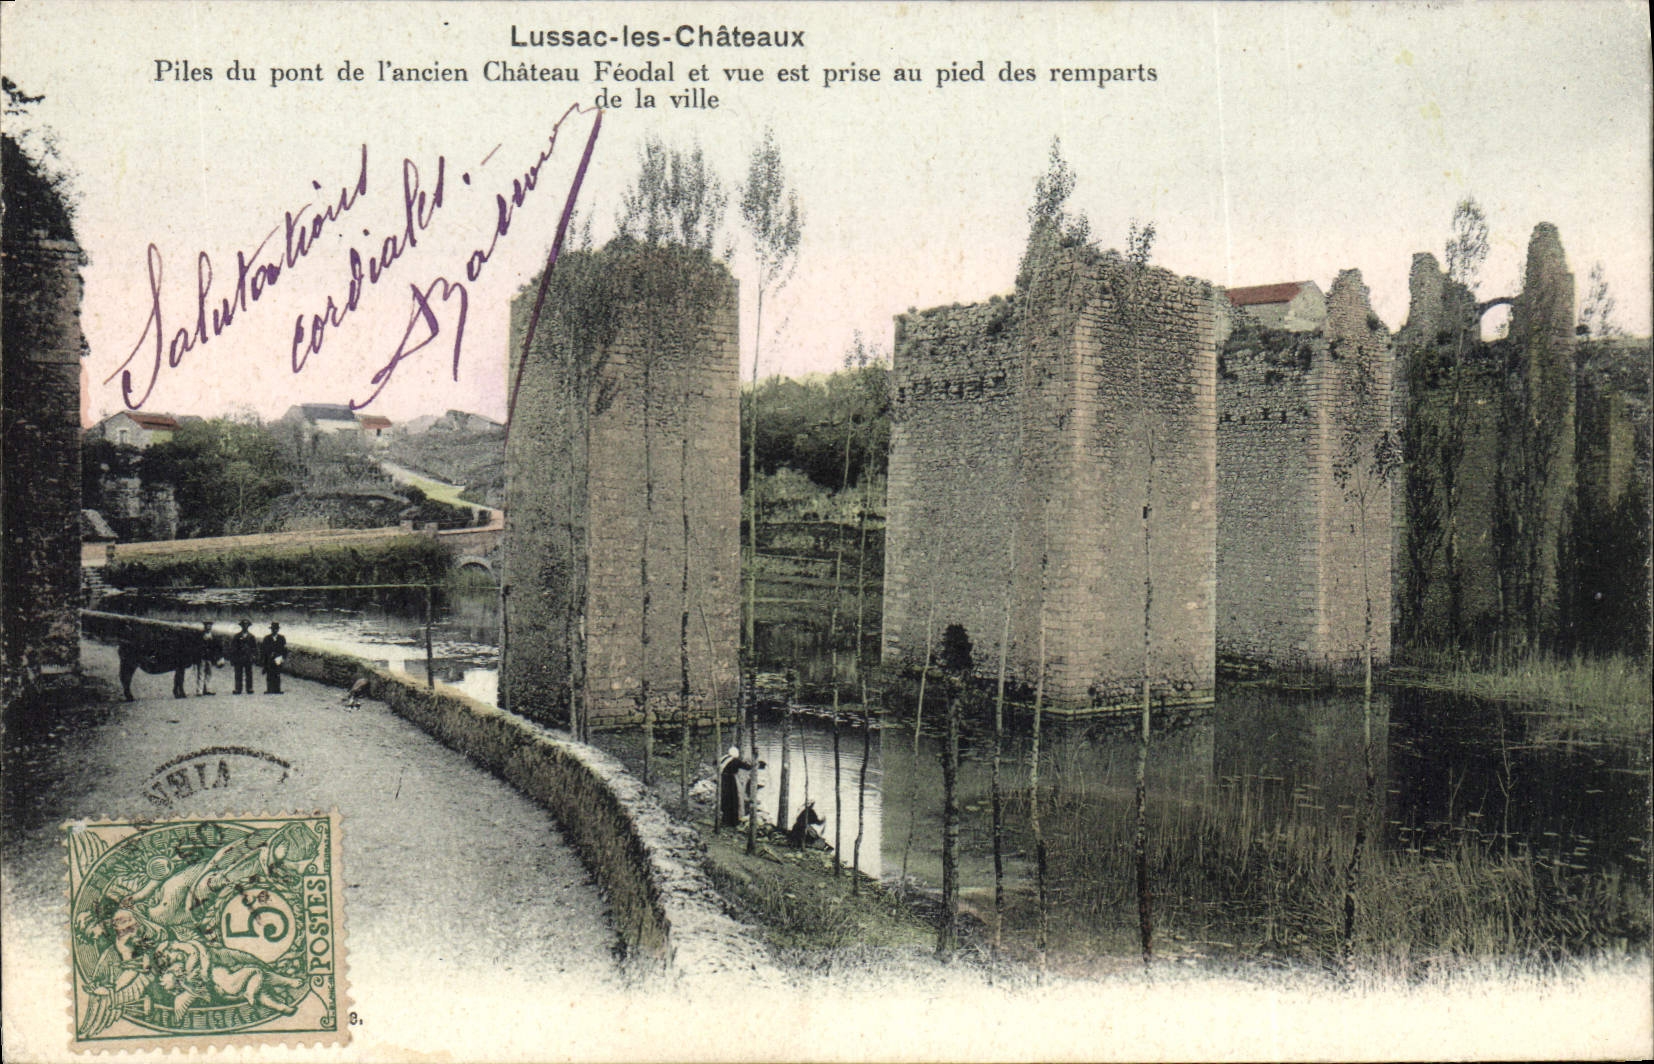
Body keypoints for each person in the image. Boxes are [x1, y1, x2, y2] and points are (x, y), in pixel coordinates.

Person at [717, 746, 754, 829]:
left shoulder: (724, 758)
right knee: (734, 799)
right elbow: (747, 767)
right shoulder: (735, 761)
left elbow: (715, 762)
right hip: (730, 780)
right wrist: (752, 762)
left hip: (723, 779)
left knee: (725, 799)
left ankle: (724, 819)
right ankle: (733, 821)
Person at [228, 619, 257, 695]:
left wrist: (254, 656)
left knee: (249, 674)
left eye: (246, 625)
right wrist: (233, 658)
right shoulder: (237, 636)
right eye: (243, 625)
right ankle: (238, 688)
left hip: (248, 657)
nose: (245, 626)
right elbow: (233, 647)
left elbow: (254, 647)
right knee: (238, 674)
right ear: (241, 626)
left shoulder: (251, 637)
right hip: (239, 657)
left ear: (248, 626)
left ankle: (249, 688)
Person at [260, 622, 287, 694]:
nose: (274, 630)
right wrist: (264, 659)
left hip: (278, 658)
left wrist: (283, 658)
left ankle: (277, 689)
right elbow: (263, 649)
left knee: (277, 674)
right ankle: (269, 689)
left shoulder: (281, 638)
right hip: (269, 658)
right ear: (271, 630)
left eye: (276, 629)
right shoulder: (267, 638)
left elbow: (284, 649)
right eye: (273, 629)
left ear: (278, 630)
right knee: (269, 674)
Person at [195, 621, 219, 695]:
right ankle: (199, 690)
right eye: (207, 625)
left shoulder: (213, 636)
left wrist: (216, 656)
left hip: (210, 657)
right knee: (201, 673)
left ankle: (207, 689)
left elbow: (216, 647)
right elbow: (197, 646)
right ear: (204, 626)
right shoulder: (200, 636)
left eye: (210, 626)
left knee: (209, 673)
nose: (208, 627)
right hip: (202, 657)